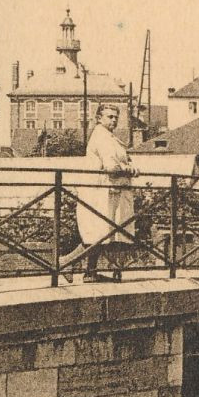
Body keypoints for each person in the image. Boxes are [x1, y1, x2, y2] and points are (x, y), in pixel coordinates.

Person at [63, 104, 135, 282]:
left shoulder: (109, 137)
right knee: (98, 234)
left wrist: (126, 165)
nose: (114, 120)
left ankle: (90, 272)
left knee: (103, 233)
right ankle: (67, 261)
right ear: (99, 118)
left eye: (116, 117)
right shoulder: (102, 137)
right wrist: (130, 169)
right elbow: (112, 167)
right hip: (98, 193)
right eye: (109, 117)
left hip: (106, 191)